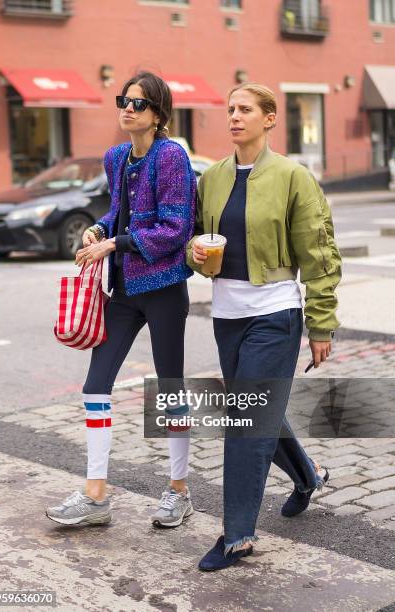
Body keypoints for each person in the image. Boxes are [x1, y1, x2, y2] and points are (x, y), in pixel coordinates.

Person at [187, 82, 341, 571]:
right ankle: (308, 476)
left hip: (275, 315)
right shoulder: (211, 177)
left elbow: (319, 256)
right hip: (227, 317)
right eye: (230, 108)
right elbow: (198, 241)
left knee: (244, 423)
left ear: (270, 118)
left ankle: (236, 536)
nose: (234, 116)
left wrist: (321, 325)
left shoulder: (294, 177)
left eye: (246, 109)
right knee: (257, 412)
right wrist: (194, 253)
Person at [46, 72, 196, 528]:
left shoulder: (171, 158)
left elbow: (176, 227)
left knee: (169, 388)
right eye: (124, 101)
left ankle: (179, 490)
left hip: (165, 288)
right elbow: (118, 211)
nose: (128, 109)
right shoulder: (116, 157)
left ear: (158, 115)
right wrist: (99, 227)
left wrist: (114, 244)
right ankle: (96, 497)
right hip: (125, 292)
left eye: (139, 104)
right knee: (96, 386)